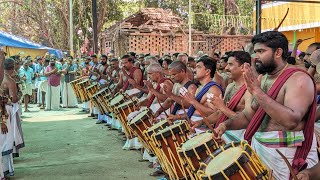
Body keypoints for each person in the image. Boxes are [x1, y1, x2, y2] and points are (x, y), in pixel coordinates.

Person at [214, 31, 318, 179]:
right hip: (262, 150)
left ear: (278, 52)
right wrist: (225, 125)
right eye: (255, 52)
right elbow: (248, 115)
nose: (255, 56)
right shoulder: (263, 79)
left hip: (286, 156)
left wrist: (256, 91)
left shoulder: (298, 79)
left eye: (261, 51)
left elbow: (291, 121)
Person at [206, 51, 251, 143]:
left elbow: (247, 121)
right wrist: (202, 122)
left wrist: (222, 107)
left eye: (230, 64)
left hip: (240, 139)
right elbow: (220, 113)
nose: (226, 68)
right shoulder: (230, 86)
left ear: (243, 67)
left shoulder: (249, 90)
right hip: (224, 134)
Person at [179, 56, 224, 133]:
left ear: (207, 71)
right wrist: (177, 117)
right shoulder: (200, 88)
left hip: (204, 130)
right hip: (195, 127)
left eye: (198, 67)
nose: (194, 70)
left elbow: (214, 113)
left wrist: (193, 101)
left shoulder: (212, 89)